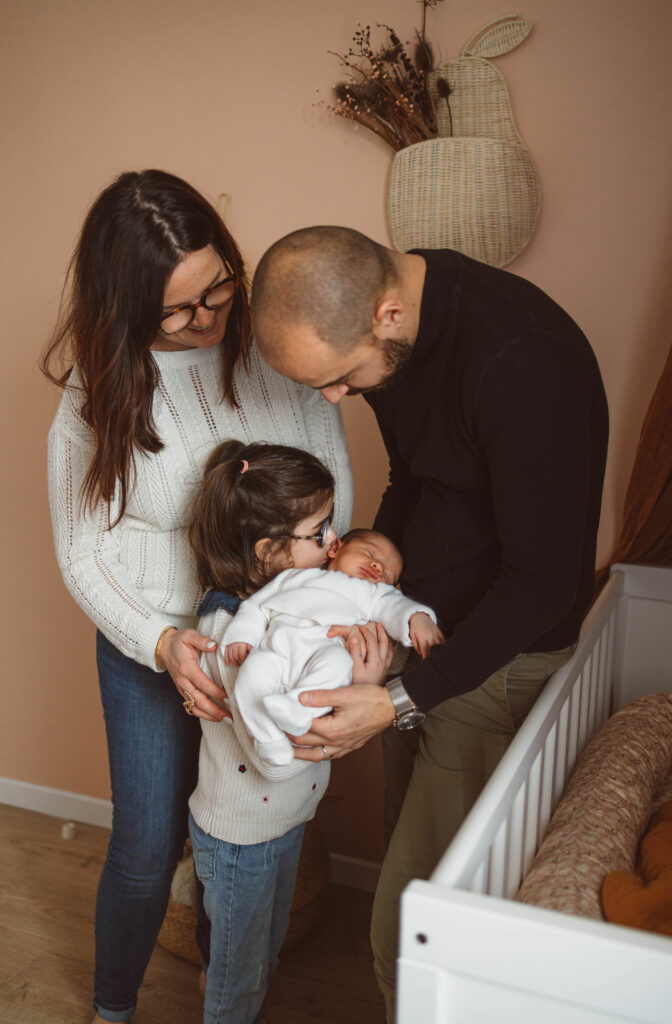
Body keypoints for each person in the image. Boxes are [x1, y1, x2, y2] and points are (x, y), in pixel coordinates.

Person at [248, 226, 610, 1021]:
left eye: (342, 380)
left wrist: (403, 702)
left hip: (495, 660)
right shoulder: (400, 341)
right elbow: (414, 474)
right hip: (422, 643)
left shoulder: (521, 364)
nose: (336, 399)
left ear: (384, 314)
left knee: (411, 930)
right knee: (403, 878)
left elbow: (544, 584)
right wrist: (371, 564)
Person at [42, 174, 353, 1024]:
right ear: (128, 303)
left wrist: (287, 618)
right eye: (178, 310)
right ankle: (112, 1008)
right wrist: (163, 643)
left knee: (250, 845)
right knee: (147, 852)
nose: (208, 318)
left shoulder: (272, 353)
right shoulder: (100, 389)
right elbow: (82, 550)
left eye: (218, 287)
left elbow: (335, 494)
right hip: (149, 651)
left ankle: (228, 1001)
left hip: (264, 645)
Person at [185, 440, 395, 1023]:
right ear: (269, 550)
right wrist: (363, 680)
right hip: (241, 836)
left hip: (281, 822)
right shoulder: (234, 632)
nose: (336, 542)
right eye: (320, 531)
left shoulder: (290, 605)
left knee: (259, 951)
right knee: (238, 975)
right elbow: (287, 734)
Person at [224, 525, 442, 766]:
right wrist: (241, 635)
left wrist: (418, 618)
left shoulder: (372, 594)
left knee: (337, 665)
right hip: (277, 649)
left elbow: (395, 607)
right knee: (252, 672)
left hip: (326, 651)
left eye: (387, 575)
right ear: (335, 548)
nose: (378, 567)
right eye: (370, 554)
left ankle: (299, 709)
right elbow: (256, 606)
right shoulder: (295, 576)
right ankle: (268, 739)